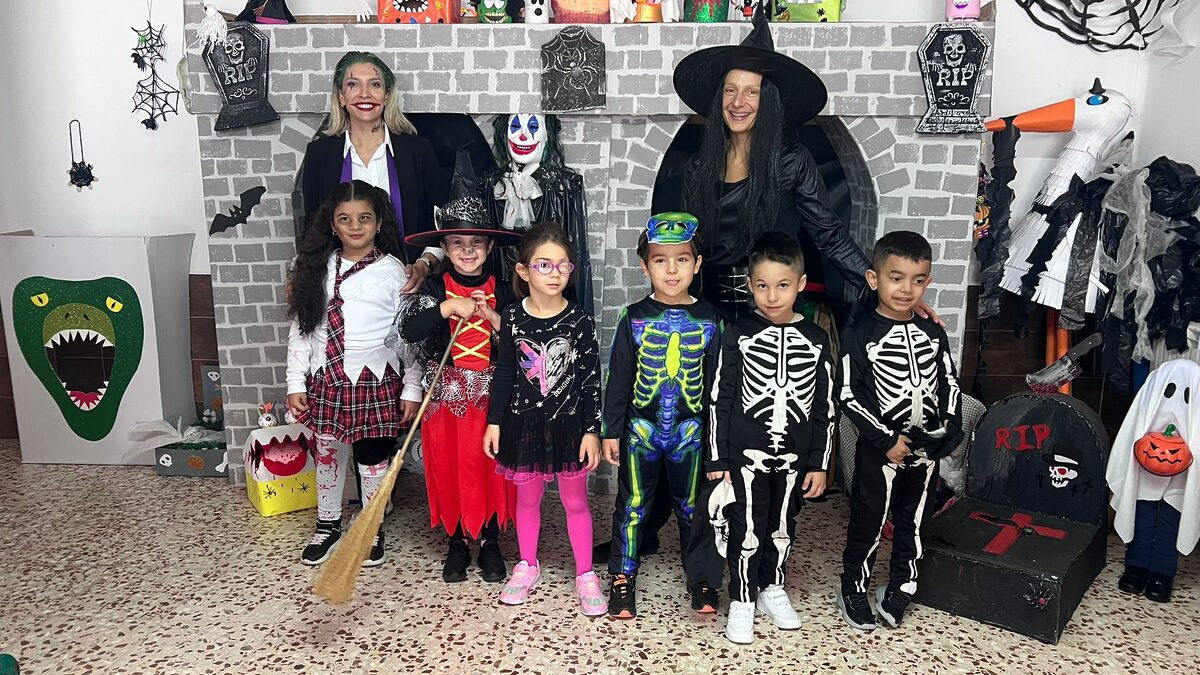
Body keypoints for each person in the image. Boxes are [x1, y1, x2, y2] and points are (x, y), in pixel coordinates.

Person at [285, 180, 423, 567]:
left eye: (364, 218)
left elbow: (408, 335)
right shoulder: (314, 268)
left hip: (374, 379)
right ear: (332, 225)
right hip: (326, 377)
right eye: (344, 219)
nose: (355, 226)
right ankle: (327, 525)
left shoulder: (394, 272)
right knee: (328, 453)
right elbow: (302, 328)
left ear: (379, 223)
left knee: (372, 457)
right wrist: (295, 381)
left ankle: (370, 526)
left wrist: (412, 388)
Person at [399, 151, 522, 584]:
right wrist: (448, 307)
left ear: (489, 247)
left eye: (475, 243)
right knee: (450, 468)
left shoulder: (505, 290)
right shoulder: (435, 287)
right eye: (457, 243)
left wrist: (491, 317)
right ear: (446, 249)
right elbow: (410, 330)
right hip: (446, 401)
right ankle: (456, 541)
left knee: (489, 468)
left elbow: (522, 342)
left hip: (492, 402)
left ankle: (489, 539)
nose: (467, 251)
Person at [708, 232, 834, 645]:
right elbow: (720, 397)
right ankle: (742, 597)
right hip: (744, 456)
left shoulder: (816, 339)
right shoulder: (737, 333)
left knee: (782, 525)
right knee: (746, 526)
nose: (772, 295)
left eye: (782, 285)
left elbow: (824, 406)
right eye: (762, 285)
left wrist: (819, 462)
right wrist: (717, 458)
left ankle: (771, 587)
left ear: (800, 284)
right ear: (750, 285)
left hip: (795, 458)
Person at [838, 231, 964, 631]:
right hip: (881, 450)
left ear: (928, 282)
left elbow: (949, 383)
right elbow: (848, 393)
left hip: (925, 452)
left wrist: (947, 430)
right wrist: (886, 439)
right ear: (874, 279)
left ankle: (901, 587)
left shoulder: (933, 331)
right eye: (896, 278)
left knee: (913, 524)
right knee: (869, 521)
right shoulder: (859, 332)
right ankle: (853, 588)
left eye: (918, 280)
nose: (907, 289)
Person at [601, 213, 723, 619]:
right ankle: (622, 575)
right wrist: (610, 430)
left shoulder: (712, 320)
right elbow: (619, 378)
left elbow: (718, 387)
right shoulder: (633, 317)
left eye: (682, 259)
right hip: (641, 429)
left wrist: (719, 446)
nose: (672, 270)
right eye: (660, 260)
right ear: (645, 266)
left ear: (697, 264)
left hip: (691, 432)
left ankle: (702, 578)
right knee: (632, 504)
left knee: (694, 508)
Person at [483, 222, 606, 616]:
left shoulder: (579, 320)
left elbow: (590, 379)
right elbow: (505, 372)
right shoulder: (511, 317)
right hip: (523, 425)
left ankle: (585, 573)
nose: (555, 274)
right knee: (528, 498)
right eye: (544, 265)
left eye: (563, 266)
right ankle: (527, 564)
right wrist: (494, 421)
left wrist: (592, 430)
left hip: (569, 426)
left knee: (575, 501)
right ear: (524, 271)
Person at [299, 51, 442, 292]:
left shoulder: (418, 151)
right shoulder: (320, 155)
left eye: (375, 85)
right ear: (341, 96)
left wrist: (424, 265)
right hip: (342, 287)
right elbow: (313, 230)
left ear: (387, 95)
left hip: (407, 283)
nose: (364, 94)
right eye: (353, 85)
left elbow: (439, 224)